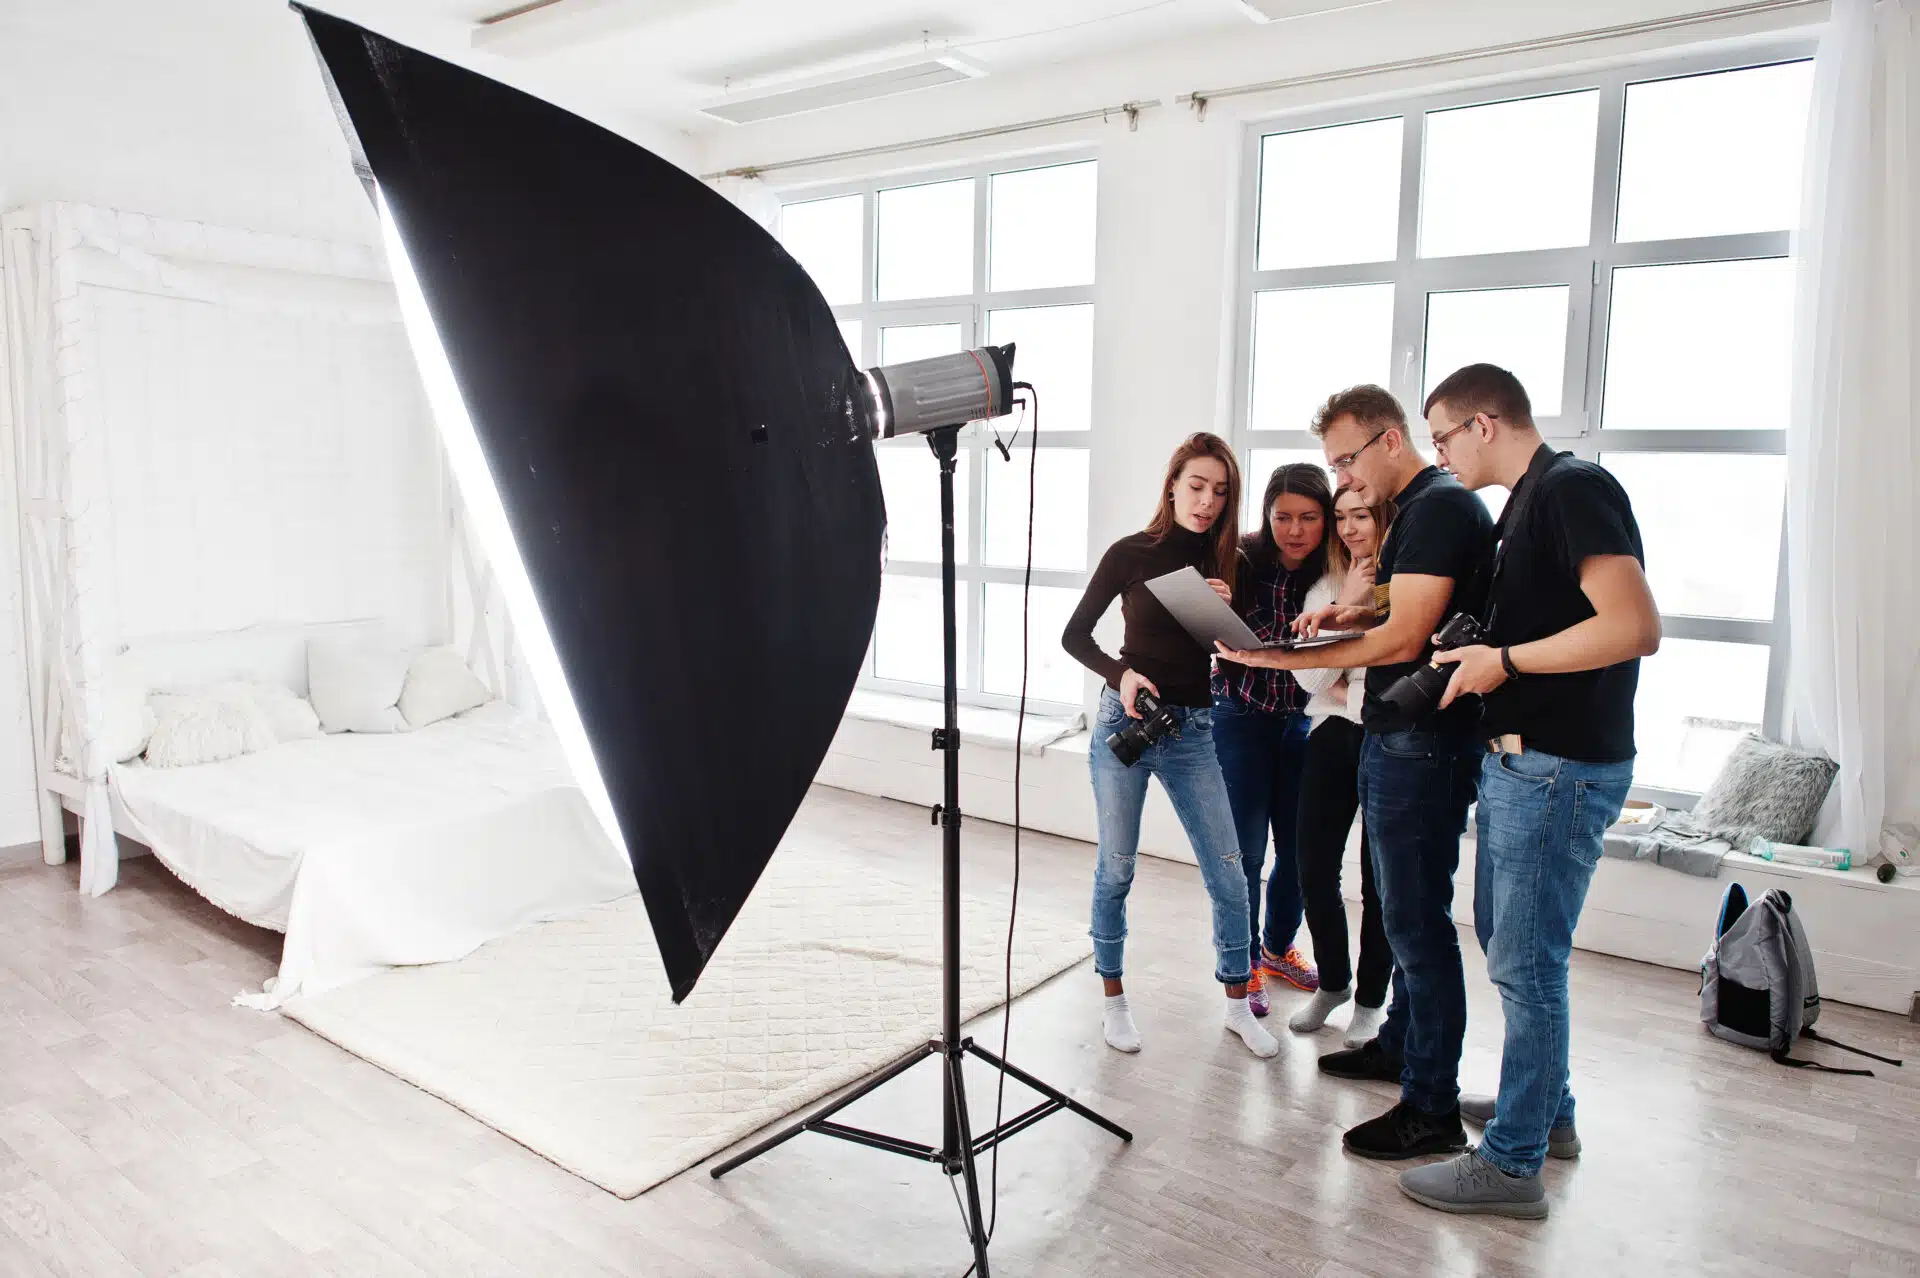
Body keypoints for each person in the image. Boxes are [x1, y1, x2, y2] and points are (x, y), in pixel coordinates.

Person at [1394, 364, 1658, 1219]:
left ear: (1483, 422)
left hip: (1558, 770)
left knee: (1526, 966)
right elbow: (1553, 626)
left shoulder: (1571, 488)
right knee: (1513, 947)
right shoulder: (1526, 505)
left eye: (1441, 436)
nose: (1439, 455)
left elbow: (1632, 626)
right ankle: (1548, 1116)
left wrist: (1500, 662)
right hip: (1521, 765)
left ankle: (1511, 1167)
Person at [1215, 384, 1492, 1160]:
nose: (1342, 478)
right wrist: (1342, 614)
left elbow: (1405, 641)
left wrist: (1279, 655)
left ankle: (1430, 1105)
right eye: (1334, 462)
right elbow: (1403, 610)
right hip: (1396, 735)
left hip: (1426, 742)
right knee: (1399, 908)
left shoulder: (1436, 508)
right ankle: (1401, 1046)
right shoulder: (1421, 513)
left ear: (1392, 440)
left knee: (1414, 922)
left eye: (1347, 459)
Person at [1061, 432, 1278, 1060]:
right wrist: (1120, 675)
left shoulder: (1230, 560)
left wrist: (1225, 617)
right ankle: (1114, 1000)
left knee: (1231, 873)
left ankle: (1238, 1005)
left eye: (1219, 491)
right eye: (1196, 486)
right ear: (1173, 484)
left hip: (1195, 731)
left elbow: (1246, 649)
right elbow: (1076, 636)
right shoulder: (1131, 553)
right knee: (1118, 867)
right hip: (1123, 723)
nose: (1206, 501)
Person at [1212, 464, 1332, 1016]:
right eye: (1283, 517)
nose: (1295, 530)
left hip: (1307, 722)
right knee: (1245, 852)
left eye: (1309, 517)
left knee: (1302, 852)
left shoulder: (1337, 568)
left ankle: (1277, 947)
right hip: (1241, 716)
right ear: (1267, 515)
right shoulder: (1238, 557)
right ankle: (1242, 966)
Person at [1284, 484, 1396, 1043]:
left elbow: (1388, 677)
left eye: (1362, 516)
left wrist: (1347, 667)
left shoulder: (1411, 586)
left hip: (1384, 740)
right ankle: (1334, 983)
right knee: (1312, 867)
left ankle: (1372, 1000)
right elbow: (1309, 679)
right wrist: (1348, 607)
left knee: (1380, 880)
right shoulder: (1327, 586)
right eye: (1342, 517)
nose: (1350, 528)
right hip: (1330, 735)